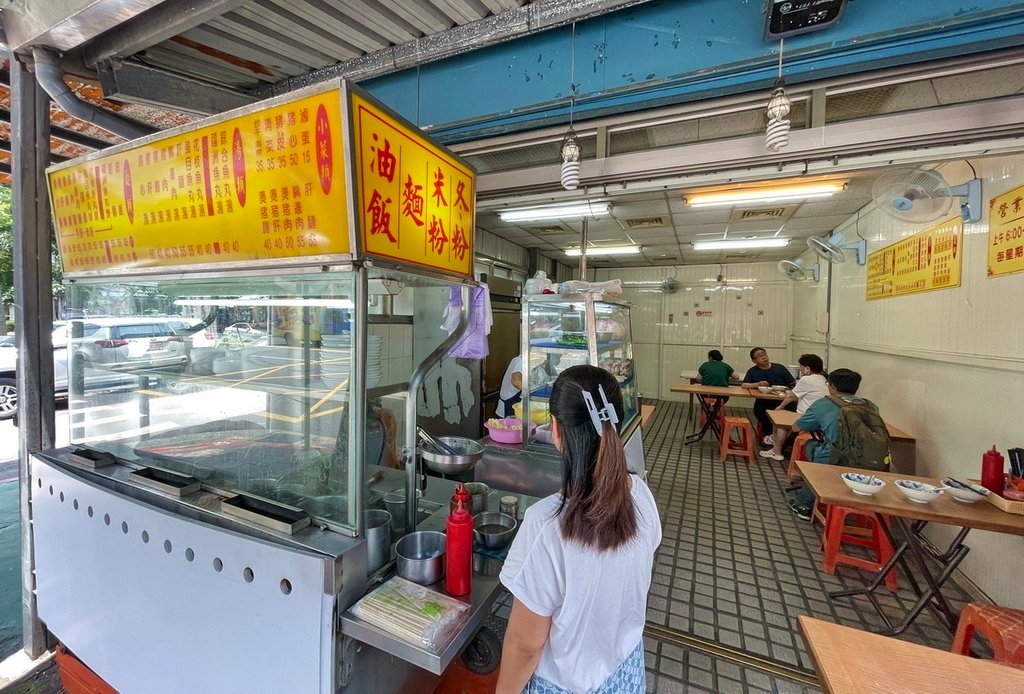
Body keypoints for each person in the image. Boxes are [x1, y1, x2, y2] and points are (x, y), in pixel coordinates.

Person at [496, 365, 662, 694]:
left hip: (565, 684)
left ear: (556, 431)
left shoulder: (546, 524)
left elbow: (526, 646)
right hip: (625, 672)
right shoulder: (640, 494)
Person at [787, 368, 870, 521]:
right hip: (869, 458)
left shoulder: (824, 404)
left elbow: (796, 427)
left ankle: (804, 503)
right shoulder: (869, 405)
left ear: (832, 386)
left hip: (835, 457)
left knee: (811, 446)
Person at [759, 354, 829, 462]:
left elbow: (792, 396)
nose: (800, 370)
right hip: (822, 419)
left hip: (806, 416)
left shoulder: (806, 380)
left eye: (801, 367)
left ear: (807, 368)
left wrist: (780, 406)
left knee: (780, 420)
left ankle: (776, 451)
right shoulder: (824, 379)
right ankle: (773, 440)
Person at [741, 347, 796, 445]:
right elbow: (744, 385)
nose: (763, 357)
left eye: (764, 354)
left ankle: (786, 438)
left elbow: (792, 384)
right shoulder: (753, 371)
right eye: (759, 356)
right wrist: (758, 384)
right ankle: (769, 435)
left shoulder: (780, 368)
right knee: (760, 410)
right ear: (754, 361)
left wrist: (788, 391)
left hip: (783, 401)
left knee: (791, 409)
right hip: (764, 402)